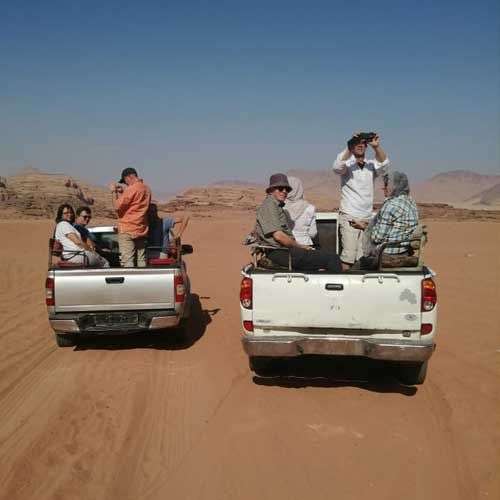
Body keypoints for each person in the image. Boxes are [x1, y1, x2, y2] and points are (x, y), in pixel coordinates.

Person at [255, 173, 341, 272]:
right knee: (332, 259)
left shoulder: (277, 206)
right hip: (281, 252)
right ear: (270, 190)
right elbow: (278, 236)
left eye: (287, 189)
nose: (284, 192)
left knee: (321, 258)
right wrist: (300, 247)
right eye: (280, 189)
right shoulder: (270, 206)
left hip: (284, 250)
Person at [333, 132, 390, 269]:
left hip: (366, 217)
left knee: (364, 257)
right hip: (350, 216)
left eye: (363, 143)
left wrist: (376, 147)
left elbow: (385, 165)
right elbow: (336, 167)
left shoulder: (371, 165)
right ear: (352, 146)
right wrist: (350, 145)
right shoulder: (347, 165)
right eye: (357, 143)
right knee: (348, 256)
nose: (360, 145)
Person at [367, 171, 419, 260]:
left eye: (386, 185)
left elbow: (377, 238)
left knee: (354, 266)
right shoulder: (410, 202)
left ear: (394, 187)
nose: (383, 188)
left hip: (388, 254)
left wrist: (366, 228)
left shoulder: (391, 205)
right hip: (404, 251)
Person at [109, 167, 152, 267]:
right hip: (141, 229)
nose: (125, 184)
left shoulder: (132, 189)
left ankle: (131, 282)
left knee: (127, 261)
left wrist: (113, 192)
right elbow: (134, 205)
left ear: (129, 177)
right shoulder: (147, 188)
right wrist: (123, 192)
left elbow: (116, 207)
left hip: (127, 229)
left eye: (125, 181)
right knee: (141, 260)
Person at [284, 176, 317, 246]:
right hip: (305, 244)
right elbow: (313, 233)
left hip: (286, 245)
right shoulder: (310, 208)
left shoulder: (281, 207)